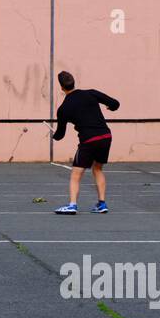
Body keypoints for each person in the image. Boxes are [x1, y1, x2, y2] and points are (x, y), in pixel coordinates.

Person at [49, 70, 119, 215]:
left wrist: (53, 135)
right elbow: (115, 104)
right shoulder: (91, 93)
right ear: (74, 83)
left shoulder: (63, 109)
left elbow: (60, 134)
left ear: (61, 87)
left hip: (89, 139)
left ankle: (72, 205)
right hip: (106, 136)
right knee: (98, 169)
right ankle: (102, 204)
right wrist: (111, 107)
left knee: (76, 174)